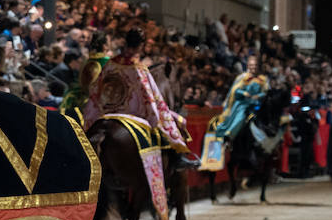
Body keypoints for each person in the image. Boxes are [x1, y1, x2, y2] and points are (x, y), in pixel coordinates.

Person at [82, 28, 199, 167]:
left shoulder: (110, 64)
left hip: (107, 111)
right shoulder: (138, 68)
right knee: (174, 122)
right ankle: (177, 159)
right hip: (133, 114)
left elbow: (97, 90)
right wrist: (158, 115)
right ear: (141, 46)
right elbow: (151, 97)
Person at [210, 54, 268, 140]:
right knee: (240, 116)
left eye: (255, 65)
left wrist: (258, 95)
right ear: (248, 66)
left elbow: (265, 92)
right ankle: (229, 135)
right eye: (251, 65)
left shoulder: (262, 79)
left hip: (257, 103)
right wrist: (244, 93)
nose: (254, 67)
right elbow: (234, 91)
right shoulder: (242, 77)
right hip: (244, 103)